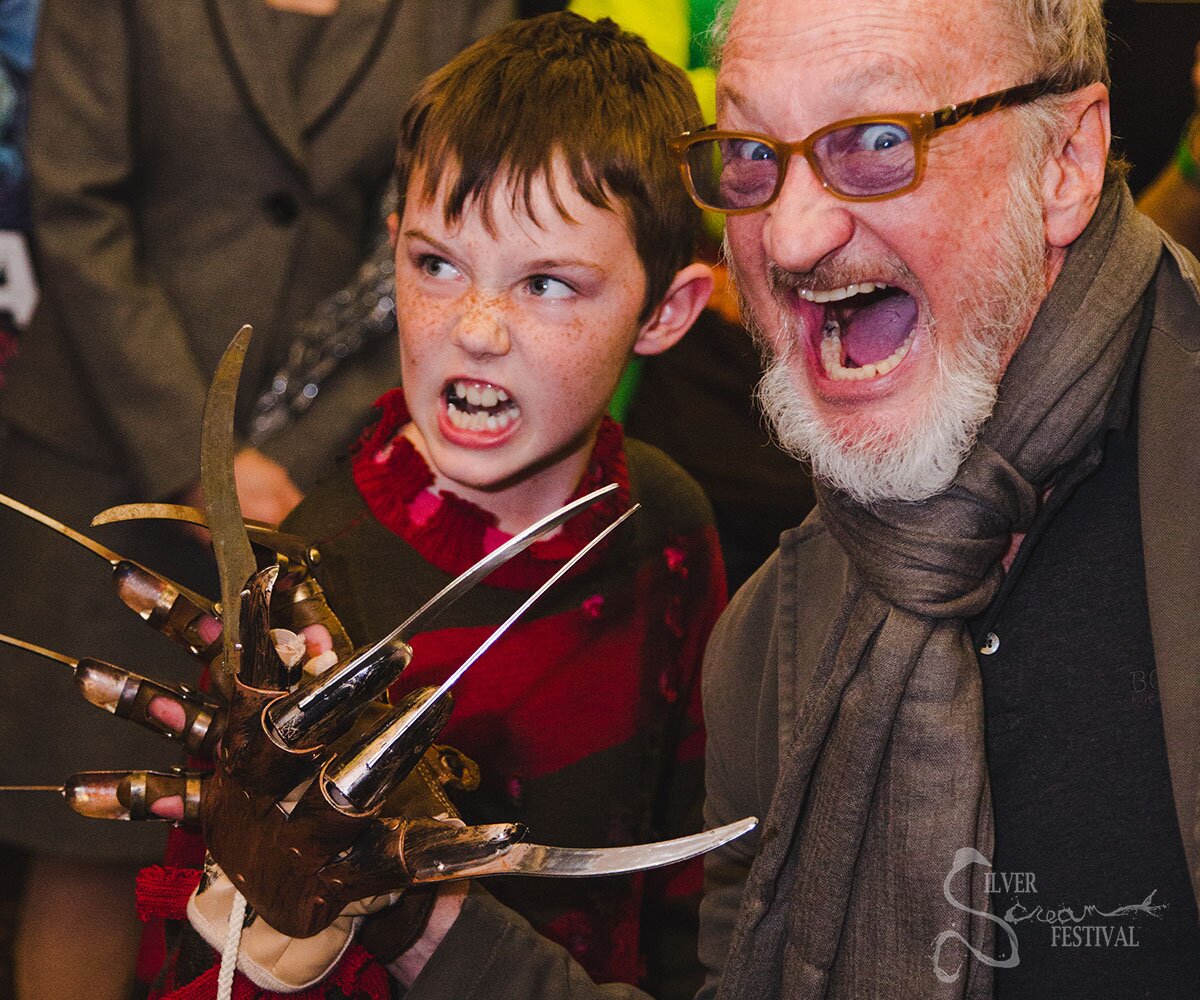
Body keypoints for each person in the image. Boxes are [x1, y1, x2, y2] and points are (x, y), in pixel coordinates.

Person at [370, 1, 1200, 998]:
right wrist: (412, 910)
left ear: (1065, 159)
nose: (791, 236)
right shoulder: (771, 636)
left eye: (881, 140)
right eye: (753, 153)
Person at [145, 13, 723, 999]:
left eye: (546, 281)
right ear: (391, 260)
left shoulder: (666, 524)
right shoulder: (305, 585)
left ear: (665, 310)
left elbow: (690, 877)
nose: (478, 328)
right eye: (436, 264)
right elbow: (206, 944)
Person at [0, 3, 511, 999]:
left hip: (326, 475)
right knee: (90, 855)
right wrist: (203, 453)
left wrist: (290, 458)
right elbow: (74, 204)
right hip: (109, 458)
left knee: (302, 887)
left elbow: (450, 234)